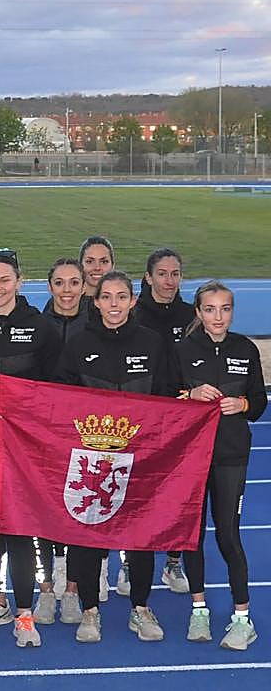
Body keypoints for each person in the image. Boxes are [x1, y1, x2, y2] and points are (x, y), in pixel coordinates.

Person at [51, 270, 176, 643]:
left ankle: (140, 606)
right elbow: (60, 396)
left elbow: (169, 397)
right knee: (87, 534)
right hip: (93, 460)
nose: (114, 305)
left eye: (122, 297)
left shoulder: (153, 343)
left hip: (142, 459)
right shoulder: (78, 342)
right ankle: (90, 610)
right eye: (107, 297)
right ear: (97, 301)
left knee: (140, 536)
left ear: (133, 301)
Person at [0, 249, 60, 647]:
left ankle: (24, 611)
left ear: (20, 282)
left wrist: (20, 411)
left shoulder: (41, 327)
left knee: (20, 527)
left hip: (23, 447)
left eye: (5, 280)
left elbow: (57, 390)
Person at [177, 281, 265, 650]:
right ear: (198, 312)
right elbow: (166, 396)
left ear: (232, 311)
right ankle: (199, 609)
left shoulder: (245, 349)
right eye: (210, 309)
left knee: (228, 534)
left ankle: (242, 618)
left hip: (231, 455)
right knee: (191, 536)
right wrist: (191, 395)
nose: (218, 316)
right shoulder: (182, 349)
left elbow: (259, 402)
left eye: (225, 309)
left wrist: (242, 405)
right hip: (191, 456)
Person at [132, 247, 195, 596]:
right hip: (143, 418)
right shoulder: (135, 314)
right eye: (162, 274)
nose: (169, 281)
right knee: (137, 492)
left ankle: (172, 562)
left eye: (175, 274)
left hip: (183, 421)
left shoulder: (191, 315)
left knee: (177, 492)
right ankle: (130, 562)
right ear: (148, 277)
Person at [38, 258, 91, 622]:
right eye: (60, 283)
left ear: (85, 287)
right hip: (43, 433)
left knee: (80, 509)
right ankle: (46, 588)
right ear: (50, 287)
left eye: (74, 283)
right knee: (43, 512)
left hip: (86, 435)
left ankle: (73, 588)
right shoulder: (38, 327)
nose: (67, 290)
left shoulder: (96, 326)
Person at [79, 235, 115, 300]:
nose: (97, 267)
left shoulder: (127, 306)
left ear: (113, 265)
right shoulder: (65, 305)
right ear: (80, 266)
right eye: (89, 261)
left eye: (104, 262)